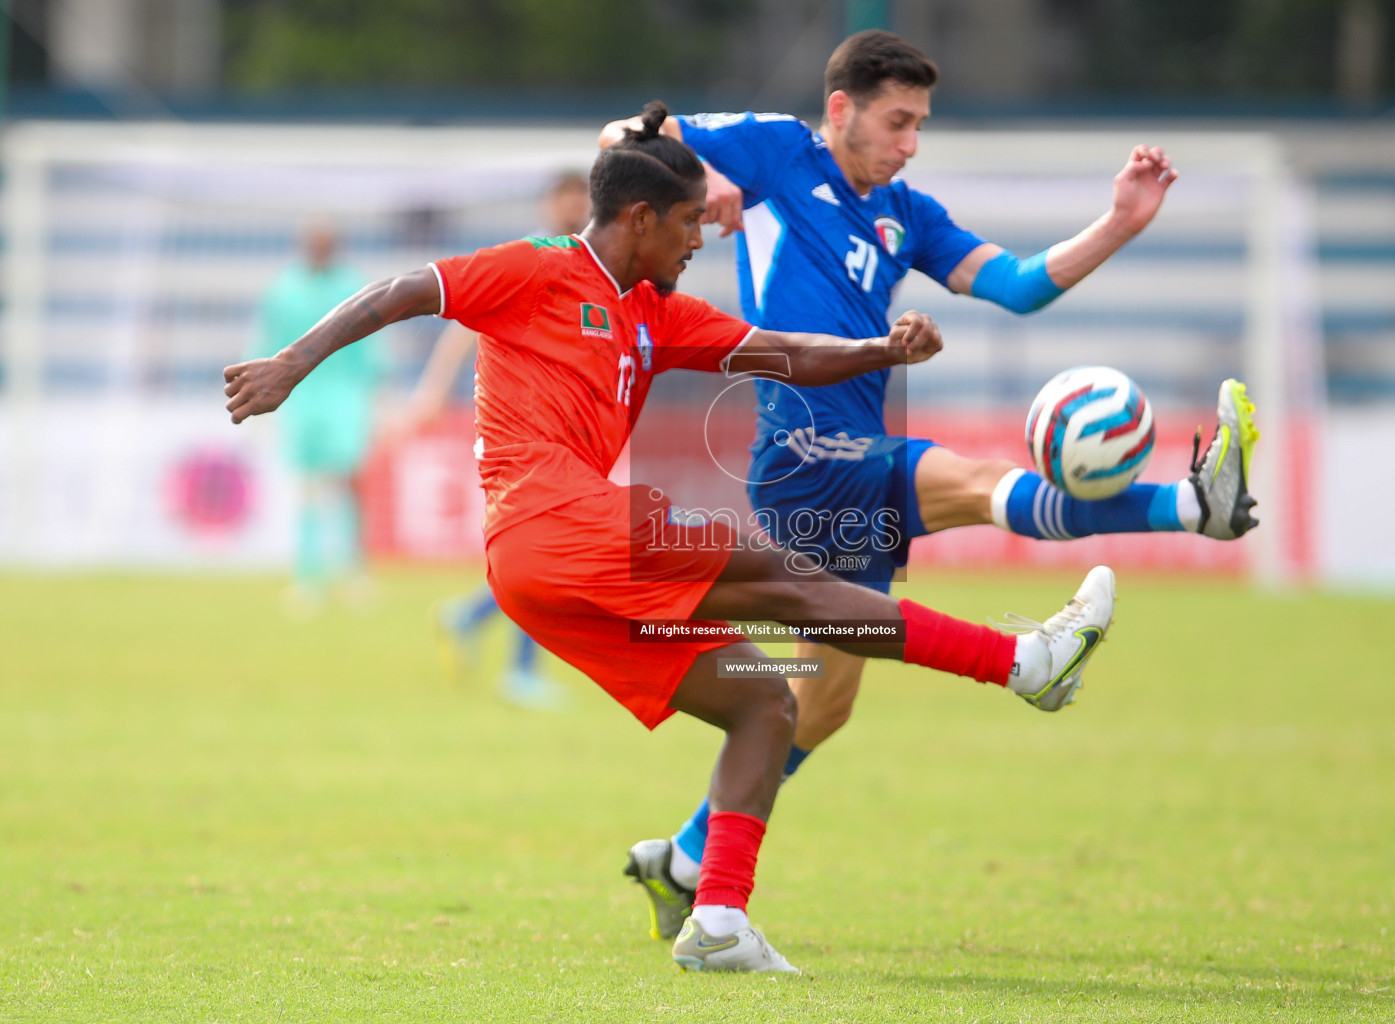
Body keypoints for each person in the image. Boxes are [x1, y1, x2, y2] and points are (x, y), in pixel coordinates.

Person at [223, 105, 1118, 973]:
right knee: (787, 579)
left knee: (766, 702)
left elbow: (787, 354)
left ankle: (719, 915)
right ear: (641, 217)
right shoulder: (539, 269)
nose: (704, 238)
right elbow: (405, 291)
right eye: (692, 221)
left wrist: (884, 351)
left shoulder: (656, 315)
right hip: (551, 522)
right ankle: (1023, 663)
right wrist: (289, 366)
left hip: (541, 578)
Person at [599, 30, 1260, 942]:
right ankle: (1191, 507)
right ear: (842, 110)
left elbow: (1020, 287)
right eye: (897, 121)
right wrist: (690, 176)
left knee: (818, 707)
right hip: (805, 458)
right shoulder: (779, 151)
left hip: (846, 459)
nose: (911, 141)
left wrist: (1120, 224)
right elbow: (621, 146)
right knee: (984, 482)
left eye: (921, 124)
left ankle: (683, 861)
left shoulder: (906, 213)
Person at [405, 171, 591, 708]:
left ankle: (470, 619)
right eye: (565, 197)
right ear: (548, 205)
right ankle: (518, 668)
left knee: (545, 554)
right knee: (544, 552)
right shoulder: (527, 261)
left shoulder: (598, 268)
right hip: (523, 432)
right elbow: (463, 321)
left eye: (580, 197)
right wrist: (434, 390)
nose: (573, 206)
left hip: (572, 429)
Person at [253, 222, 388, 615]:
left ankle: (353, 570)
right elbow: (267, 340)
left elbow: (371, 342)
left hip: (345, 394)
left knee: (348, 482)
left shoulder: (354, 284)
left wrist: (378, 393)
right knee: (308, 485)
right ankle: (308, 576)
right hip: (301, 398)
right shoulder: (283, 288)